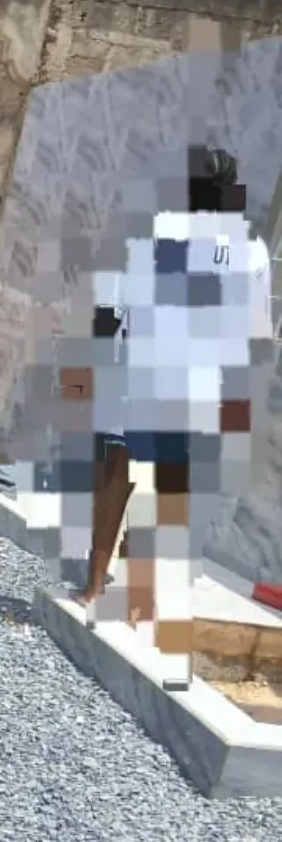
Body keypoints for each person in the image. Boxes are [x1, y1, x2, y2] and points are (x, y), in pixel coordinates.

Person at [65, 144, 272, 689]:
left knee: (117, 476)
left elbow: (108, 311)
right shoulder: (247, 249)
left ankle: (94, 587)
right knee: (166, 488)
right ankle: (137, 604)